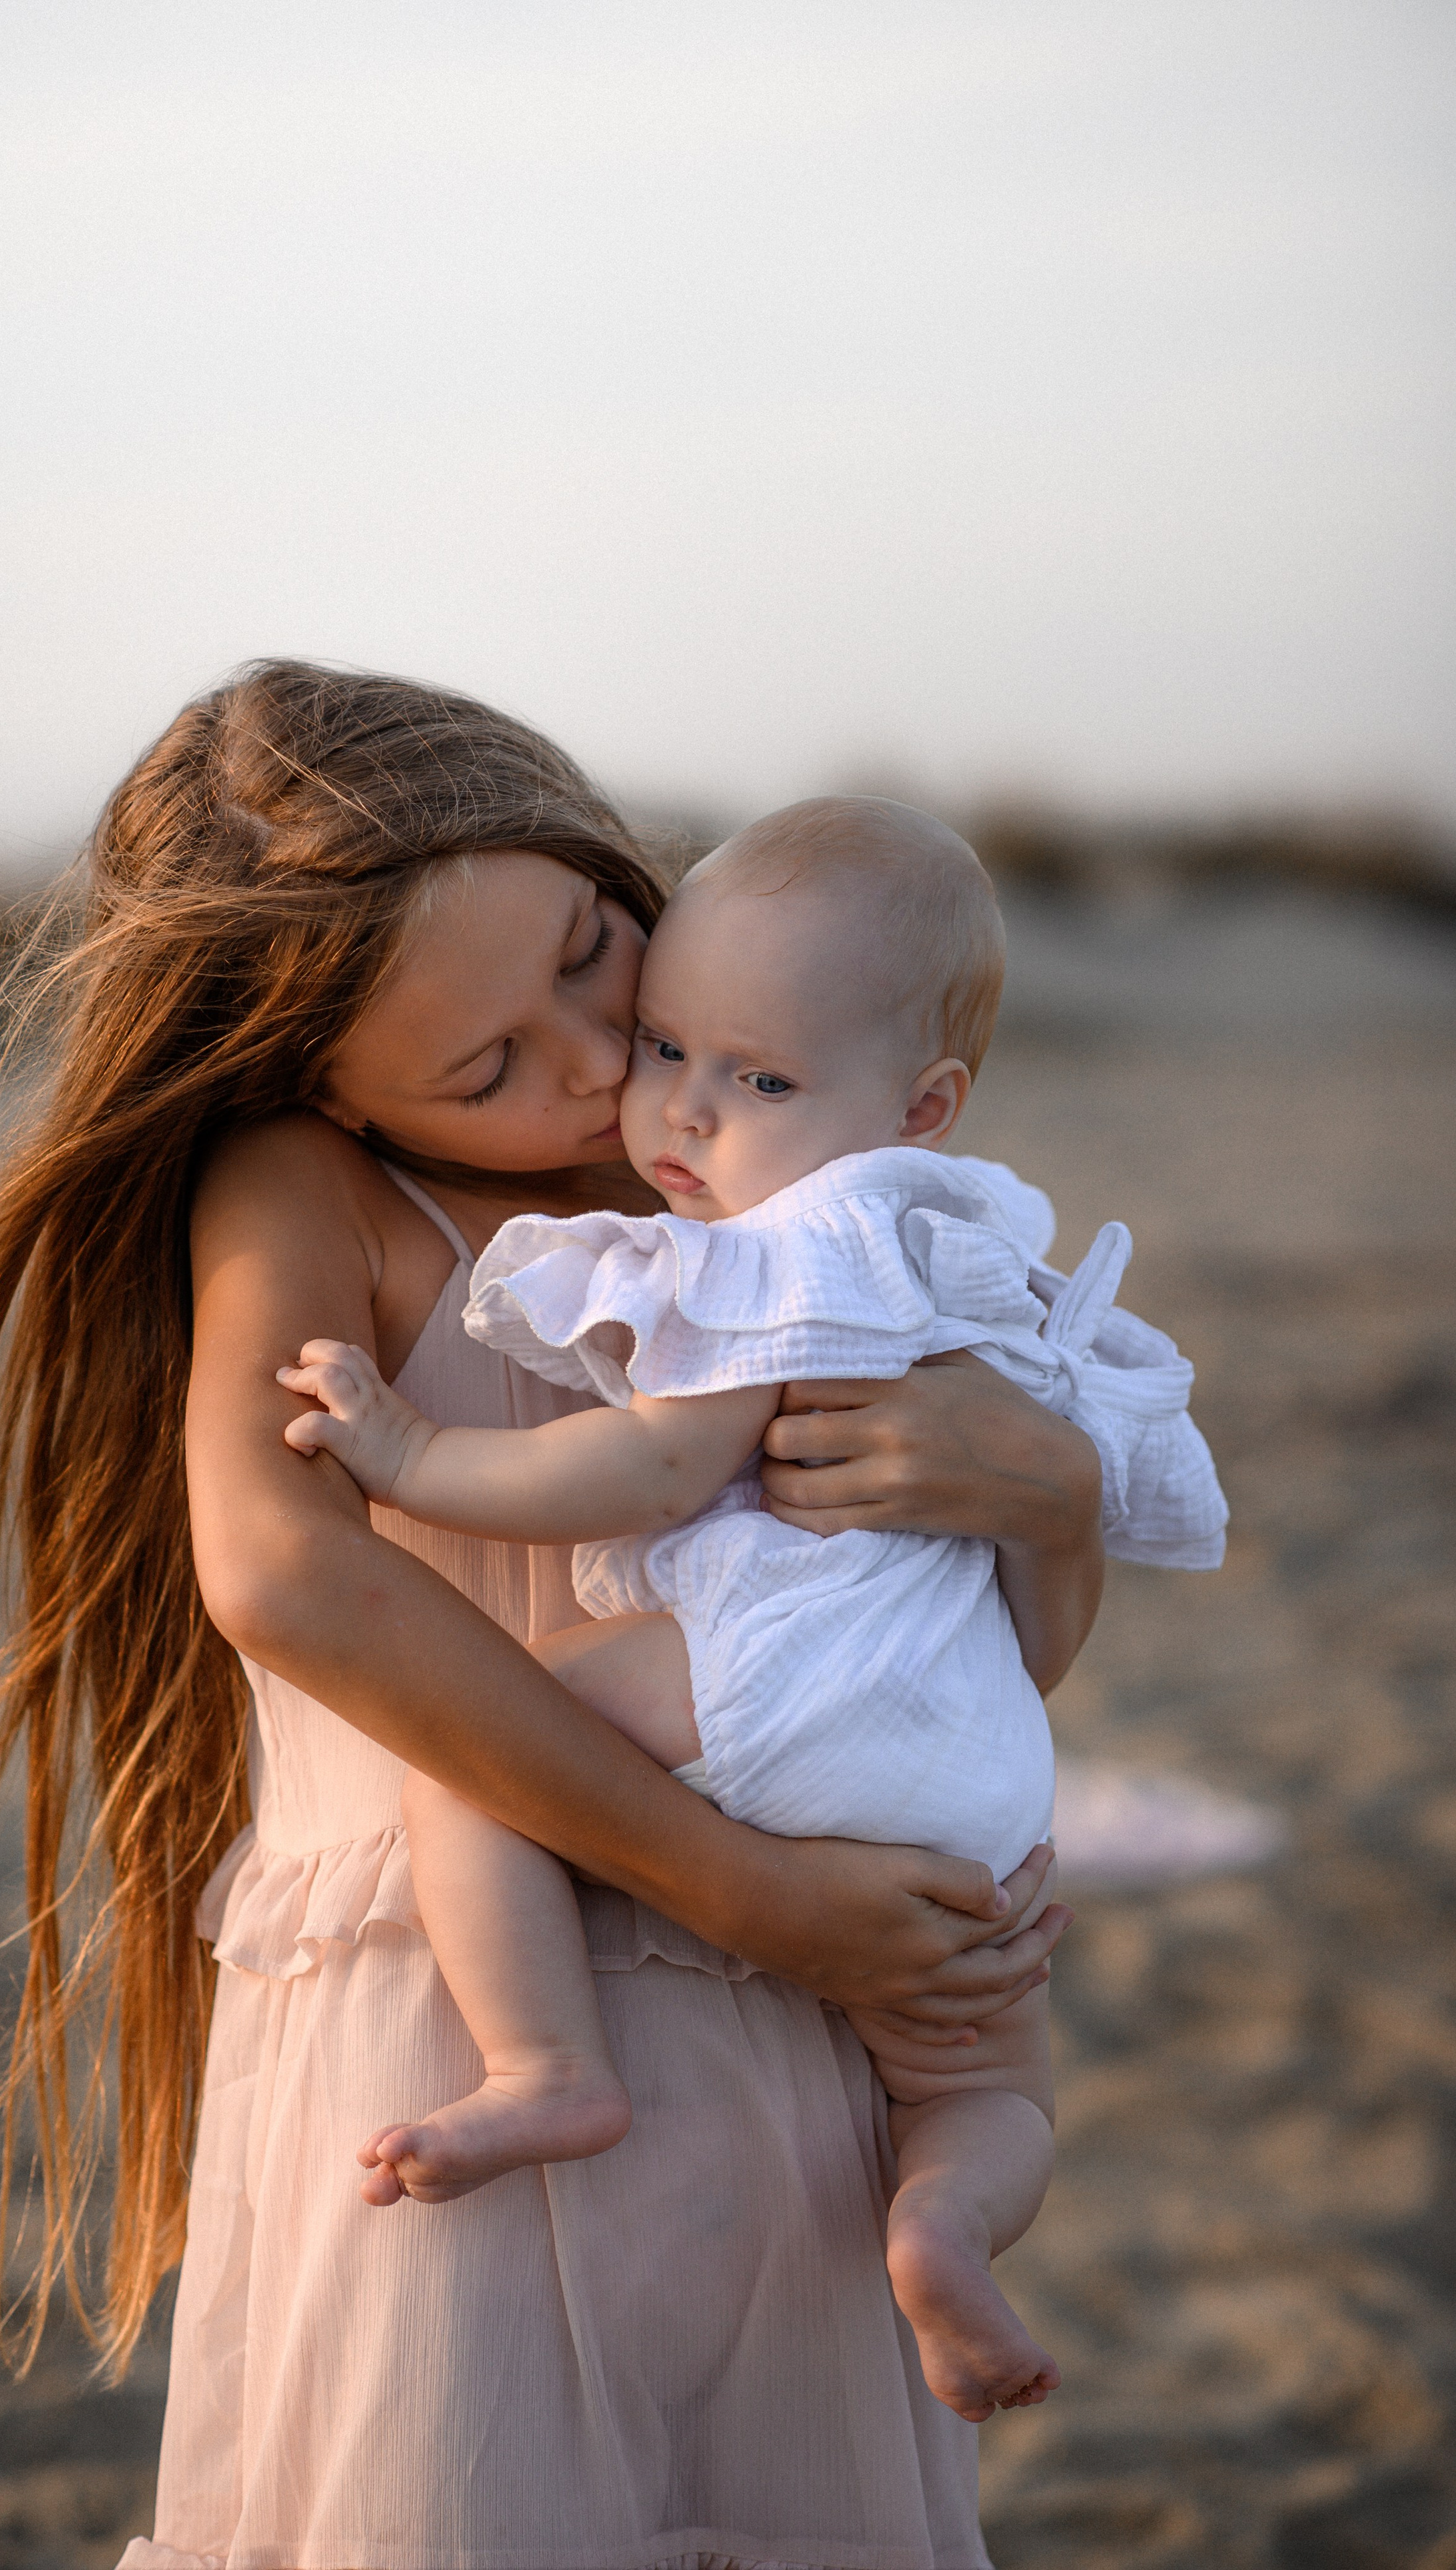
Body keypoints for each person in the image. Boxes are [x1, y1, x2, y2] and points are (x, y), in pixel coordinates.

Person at [0, 665, 1113, 2570]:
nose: (594, 1060)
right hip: (458, 2048)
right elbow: (285, 1570)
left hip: (809, 2063)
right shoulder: (313, 1186)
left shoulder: (786, 1200)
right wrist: (745, 1888)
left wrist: (1045, 1499)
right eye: (486, 1065)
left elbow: (957, 1654)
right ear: (326, 1082)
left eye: (592, 946)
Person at [275, 797, 1226, 2426]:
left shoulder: (794, 1242)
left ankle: (546, 2068)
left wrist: (411, 1452)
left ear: (916, 1107)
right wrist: (1053, 1494)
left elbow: (659, 1464)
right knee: (988, 2078)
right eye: (669, 1050)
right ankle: (946, 2218)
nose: (674, 1107)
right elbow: (1034, 1631)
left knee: (471, 1763)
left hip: (788, 1684)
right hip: (981, 1763)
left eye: (757, 1079)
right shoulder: (965, 1245)